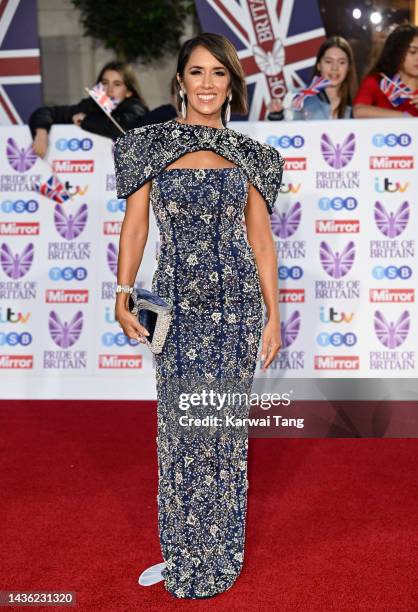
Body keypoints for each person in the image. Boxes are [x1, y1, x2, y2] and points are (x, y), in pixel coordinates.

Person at [113, 32, 284, 599]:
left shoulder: (253, 156)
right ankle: (182, 549)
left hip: (236, 306)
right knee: (182, 430)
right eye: (197, 73)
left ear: (232, 83)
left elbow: (260, 239)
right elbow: (136, 225)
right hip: (177, 304)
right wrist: (122, 291)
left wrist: (274, 315)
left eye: (219, 73)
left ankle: (221, 550)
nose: (208, 84)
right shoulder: (149, 145)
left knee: (224, 431)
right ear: (180, 80)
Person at [29, 61, 148, 156]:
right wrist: (41, 132)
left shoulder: (137, 108)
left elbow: (120, 127)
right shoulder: (91, 105)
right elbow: (45, 112)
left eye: (117, 84)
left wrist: (85, 121)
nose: (109, 89)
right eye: (105, 83)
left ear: (129, 92)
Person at [268, 36, 357, 120]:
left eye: (341, 62)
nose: (335, 68)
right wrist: (276, 116)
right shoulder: (299, 99)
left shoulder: (358, 105)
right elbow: (280, 132)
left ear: (348, 67)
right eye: (328, 61)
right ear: (319, 65)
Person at [353, 24, 418, 118]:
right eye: (413, 51)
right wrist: (404, 117)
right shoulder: (378, 81)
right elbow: (359, 111)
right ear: (397, 52)